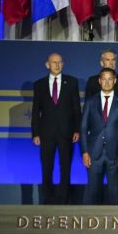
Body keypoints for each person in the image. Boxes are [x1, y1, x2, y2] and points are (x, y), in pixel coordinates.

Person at [31, 53, 81, 204]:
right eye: (54, 62)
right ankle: (48, 198)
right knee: (47, 166)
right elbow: (35, 111)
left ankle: (63, 199)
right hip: (46, 133)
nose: (57, 65)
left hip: (66, 132)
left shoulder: (71, 82)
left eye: (60, 62)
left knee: (65, 166)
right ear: (47, 65)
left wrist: (77, 129)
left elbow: (76, 108)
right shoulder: (39, 84)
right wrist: (35, 133)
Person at [80, 68, 118, 205]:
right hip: (93, 153)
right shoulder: (91, 101)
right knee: (92, 191)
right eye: (104, 79)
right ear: (99, 81)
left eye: (110, 79)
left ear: (115, 81)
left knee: (114, 192)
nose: (107, 82)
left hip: (115, 154)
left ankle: (113, 224)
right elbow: (83, 128)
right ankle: (90, 222)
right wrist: (85, 152)